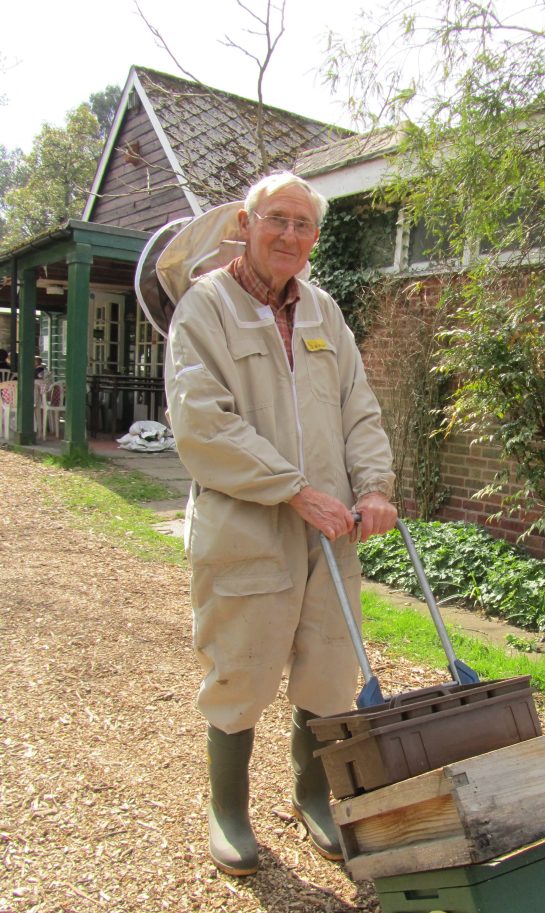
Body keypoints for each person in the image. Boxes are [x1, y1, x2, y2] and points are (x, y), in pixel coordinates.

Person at [163, 172, 397, 876]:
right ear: (246, 224)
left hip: (331, 529)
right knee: (239, 667)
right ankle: (228, 811)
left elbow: (358, 408)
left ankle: (312, 797)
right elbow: (202, 424)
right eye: (277, 219)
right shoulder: (206, 308)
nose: (289, 235)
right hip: (248, 525)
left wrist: (375, 485)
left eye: (303, 224)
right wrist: (293, 491)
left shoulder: (324, 312)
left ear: (315, 238)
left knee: (329, 668)